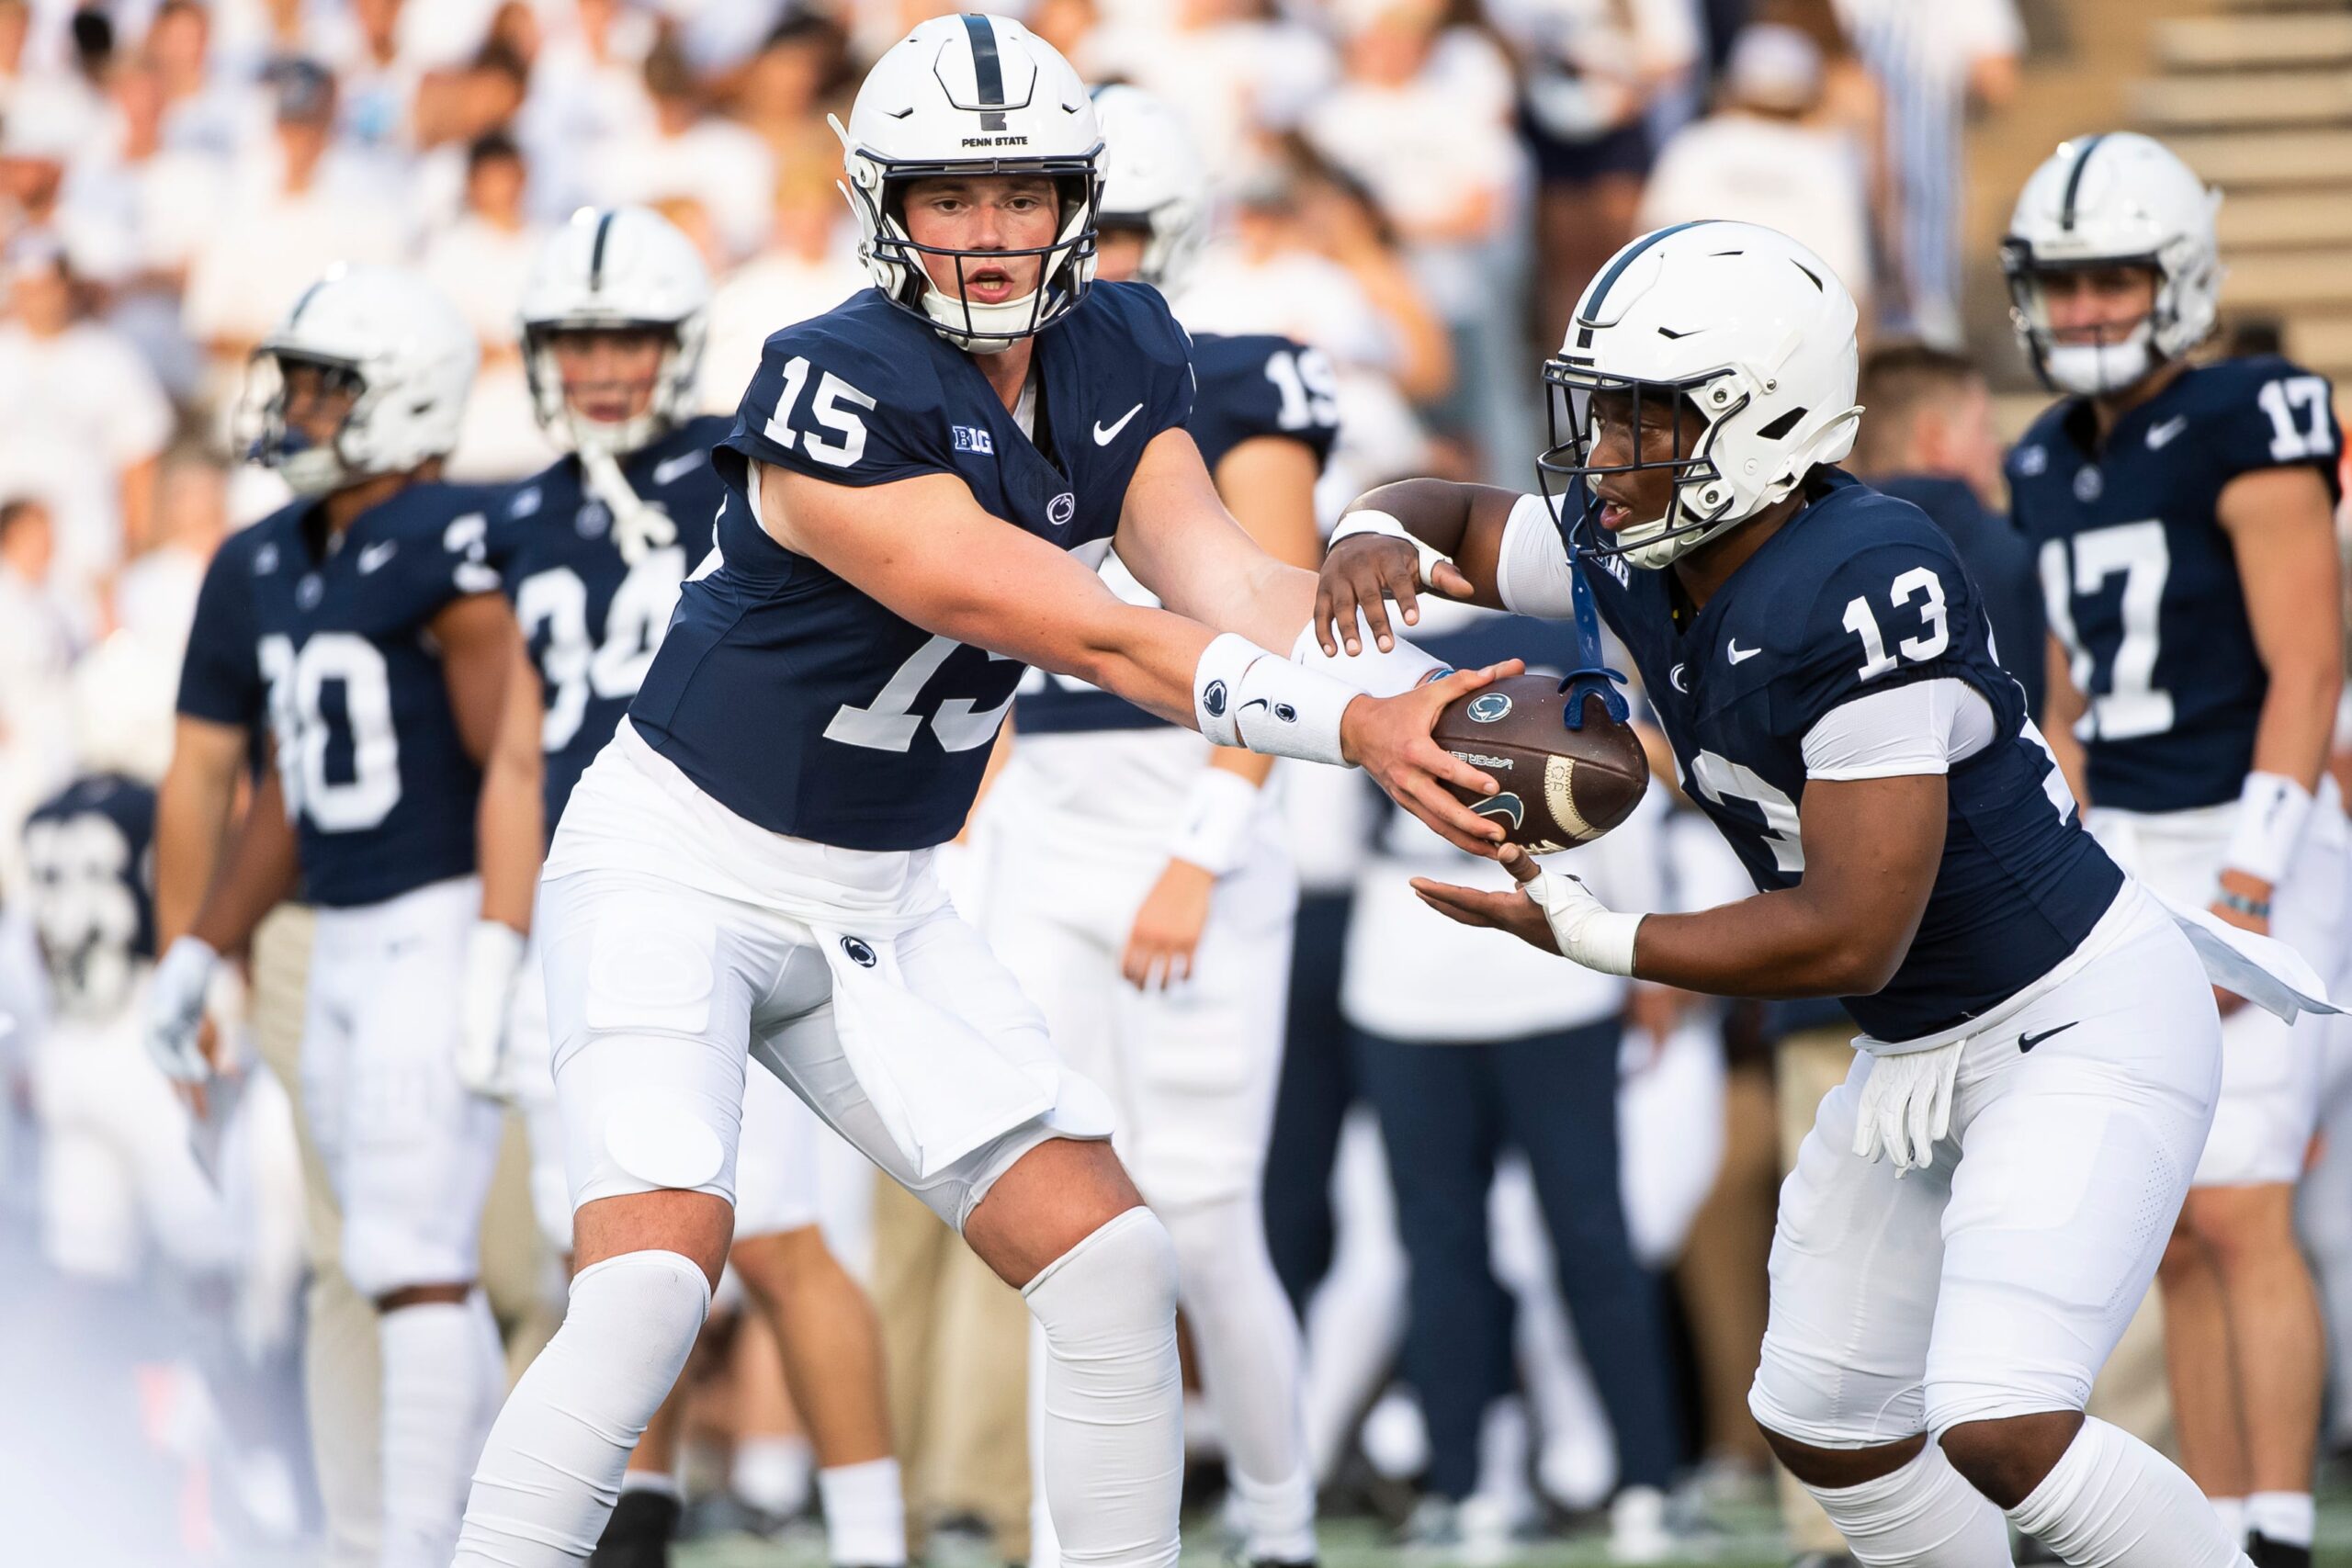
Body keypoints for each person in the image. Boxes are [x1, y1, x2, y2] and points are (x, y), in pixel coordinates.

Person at [445, 17, 1510, 1567]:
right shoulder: (828, 380)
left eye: (1021, 195)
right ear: (885, 201)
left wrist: (1416, 656)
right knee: (653, 1275)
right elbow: (1077, 623)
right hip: (683, 861)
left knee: (1113, 1260)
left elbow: (1217, 578)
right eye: (951, 195)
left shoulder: (1122, 344)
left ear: (1079, 196)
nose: (992, 232)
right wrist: (1356, 734)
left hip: (878, 895)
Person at [1310, 217, 2336, 1568]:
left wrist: (1591, 931)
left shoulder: (1864, 576)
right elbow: (1446, 510)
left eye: (1642, 418)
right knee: (1823, 1414)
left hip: (2075, 1017)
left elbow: (1855, 924)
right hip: (1920, 1038)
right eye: (1599, 413)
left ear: (1760, 417)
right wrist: (1368, 528)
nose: (1603, 454)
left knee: (2002, 1417)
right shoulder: (1638, 540)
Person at [482, 204, 904, 1568]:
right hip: (594, 889)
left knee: (776, 1237)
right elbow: (511, 738)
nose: (603, 366)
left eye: (629, 338)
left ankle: (873, 1534)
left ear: (678, 344)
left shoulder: (747, 471)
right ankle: (635, 1526)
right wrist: (496, 945)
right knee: (611, 1242)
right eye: (578, 340)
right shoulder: (526, 513)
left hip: (737, 870)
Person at [972, 83, 1332, 1568]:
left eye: (1113, 224)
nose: (1087, 248)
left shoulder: (1238, 378)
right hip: (1045, 818)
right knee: (1068, 1220)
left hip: (1195, 806)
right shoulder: (983, 385)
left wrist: (1203, 846)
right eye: (1075, 218)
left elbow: (1287, 628)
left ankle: (1276, 1521)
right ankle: (1085, 1546)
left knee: (1201, 1206)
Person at [142, 264, 532, 1568]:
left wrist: (502, 938)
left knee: (418, 1250)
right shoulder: (286, 555)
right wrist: (201, 941)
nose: (297, 407)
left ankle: (435, 1540)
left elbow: (518, 760)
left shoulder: (450, 545)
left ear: (400, 399)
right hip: (346, 924)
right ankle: (423, 1534)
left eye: (326, 386)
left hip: (435, 915)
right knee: (376, 1250)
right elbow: (293, 790)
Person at [2003, 132, 2347, 1568]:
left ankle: (2274, 1517)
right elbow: (2072, 697)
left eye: (2113, 278)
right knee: (2176, 1217)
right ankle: (2212, 1521)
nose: (2085, 308)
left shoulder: (2253, 412)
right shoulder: (2041, 458)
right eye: (2063, 282)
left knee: (2243, 1200)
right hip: (2129, 841)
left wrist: (2252, 875)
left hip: (2252, 824)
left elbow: (2308, 657)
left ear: (2179, 275)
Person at [1849, 342, 2041, 719]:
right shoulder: (2013, 555)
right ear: (1934, 439)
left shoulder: (1814, 557)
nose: (1997, 451)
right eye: (1985, 428)